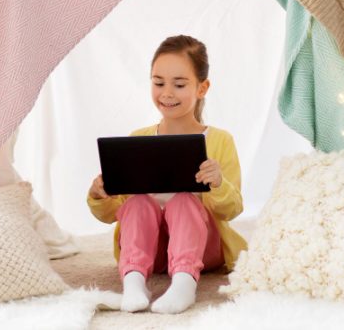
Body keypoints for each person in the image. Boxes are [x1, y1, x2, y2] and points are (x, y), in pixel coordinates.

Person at [87, 35, 247, 314]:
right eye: (158, 82)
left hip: (201, 248)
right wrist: (99, 194)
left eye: (179, 84)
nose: (167, 92)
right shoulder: (138, 139)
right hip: (152, 251)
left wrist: (218, 183)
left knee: (184, 200)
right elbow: (113, 213)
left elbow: (231, 209)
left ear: (202, 87)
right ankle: (135, 281)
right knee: (136, 203)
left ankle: (185, 284)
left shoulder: (220, 140)